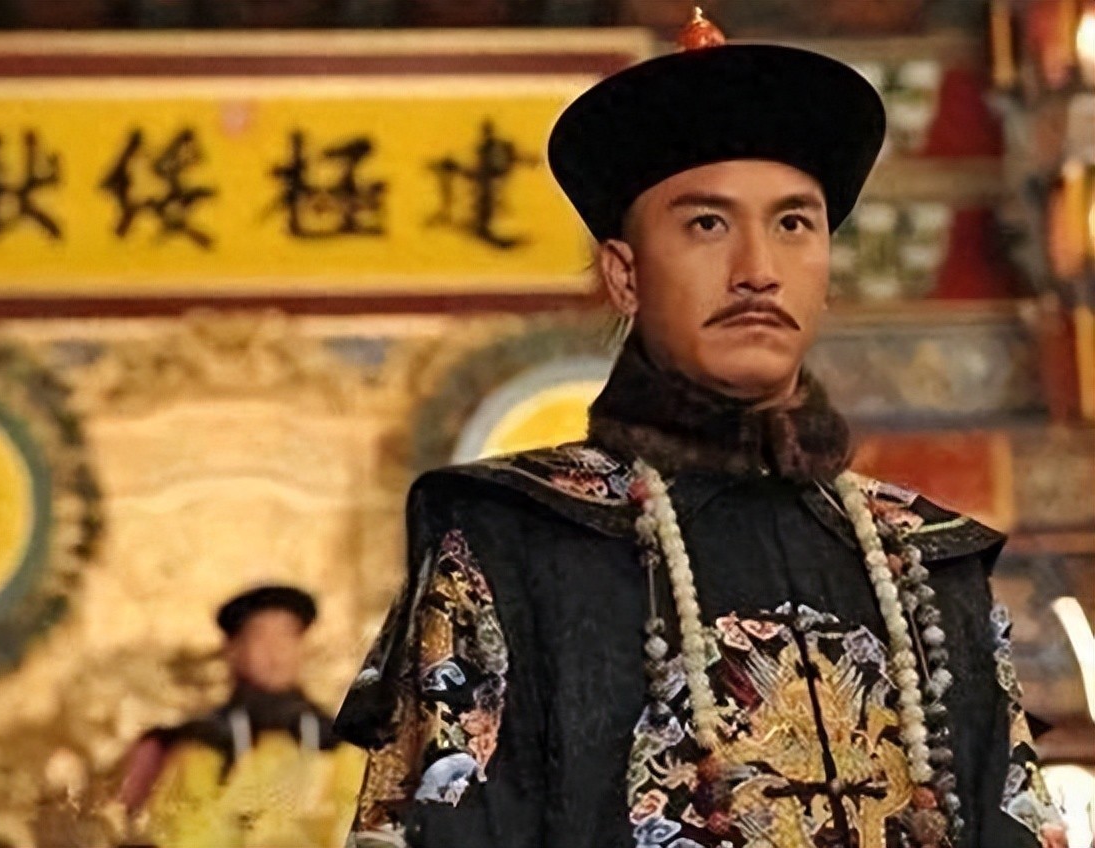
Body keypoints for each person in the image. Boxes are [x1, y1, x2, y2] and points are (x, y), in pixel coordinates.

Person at [335, 12, 1069, 848]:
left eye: (793, 224)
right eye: (707, 225)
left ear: (827, 270)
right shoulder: (511, 540)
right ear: (624, 275)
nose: (758, 270)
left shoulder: (924, 561)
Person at [120, 585, 363, 847]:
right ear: (233, 650)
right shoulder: (197, 747)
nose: (275, 651)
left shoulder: (340, 747)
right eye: (261, 637)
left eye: (286, 636)